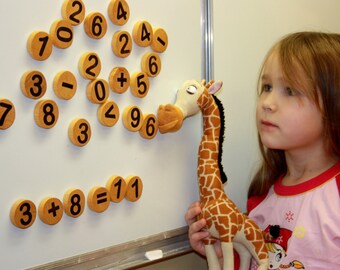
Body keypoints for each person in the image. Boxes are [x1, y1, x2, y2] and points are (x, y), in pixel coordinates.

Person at [185, 31, 340, 269]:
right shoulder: (261, 198)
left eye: (290, 90)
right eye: (266, 87)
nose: (267, 103)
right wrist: (223, 253)